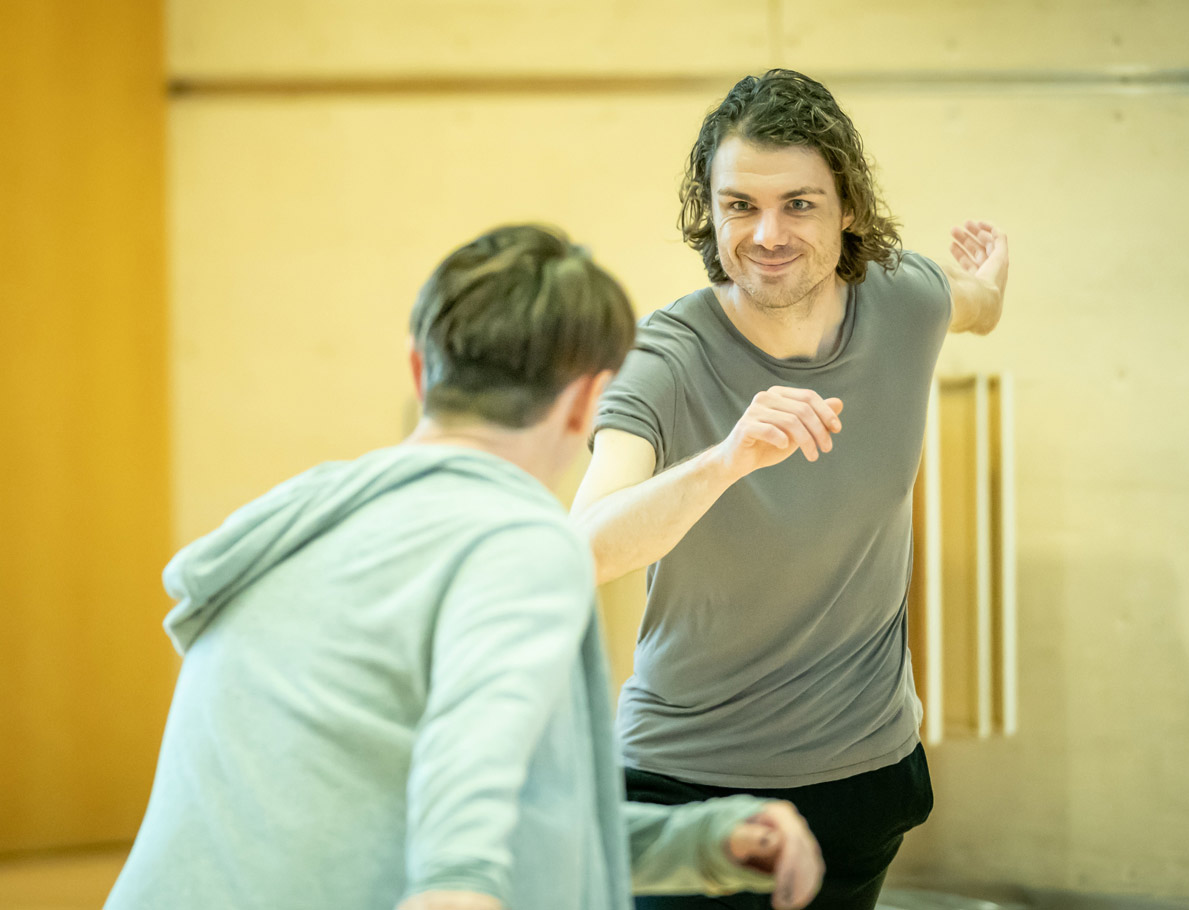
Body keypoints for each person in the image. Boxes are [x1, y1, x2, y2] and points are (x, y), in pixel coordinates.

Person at [105, 225, 824, 910]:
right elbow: (470, 768)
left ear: (419, 370)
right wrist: (458, 878)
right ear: (586, 403)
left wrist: (700, 839)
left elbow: (468, 809)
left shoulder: (302, 520)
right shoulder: (519, 541)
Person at [571, 70, 1009, 910]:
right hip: (683, 783)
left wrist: (989, 277)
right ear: (711, 210)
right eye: (739, 205)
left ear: (848, 208)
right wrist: (725, 458)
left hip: (863, 777)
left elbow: (977, 307)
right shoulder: (663, 357)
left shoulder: (905, 296)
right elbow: (578, 550)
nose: (766, 234)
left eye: (798, 205)